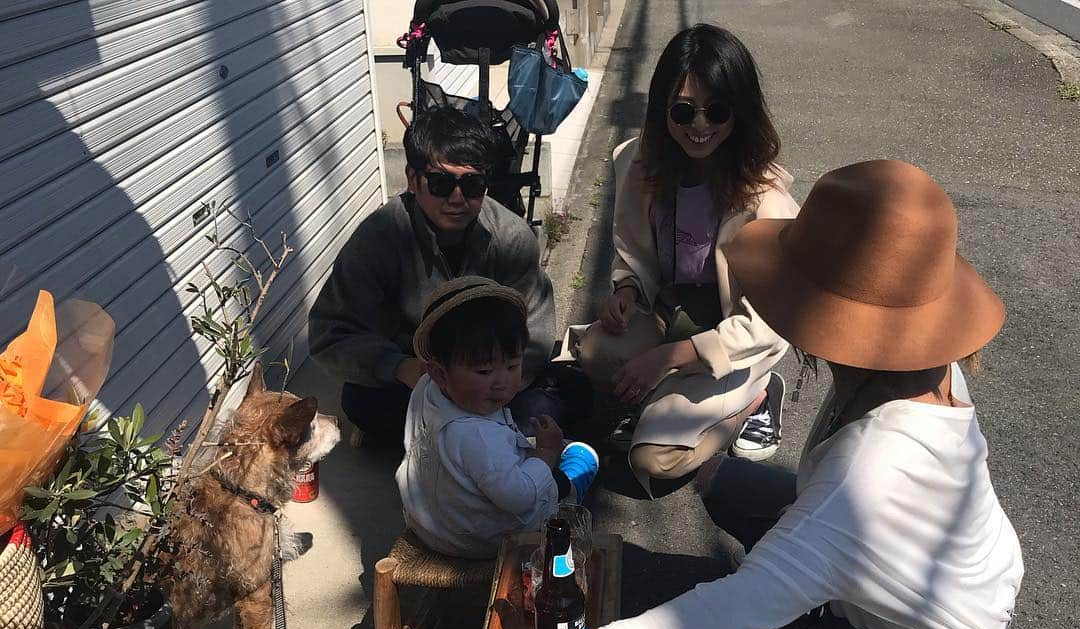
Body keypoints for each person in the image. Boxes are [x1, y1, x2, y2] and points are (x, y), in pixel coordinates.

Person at [436, 160, 1024, 629]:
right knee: (719, 483)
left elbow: (723, 614)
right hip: (900, 574)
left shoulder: (874, 474)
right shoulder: (921, 363)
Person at [577, 24, 799, 490]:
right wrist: (626, 288)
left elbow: (768, 321)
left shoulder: (767, 201)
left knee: (655, 461)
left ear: (740, 111)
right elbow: (634, 251)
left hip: (734, 333)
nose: (700, 126)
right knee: (596, 352)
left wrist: (669, 358)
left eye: (717, 110)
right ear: (662, 111)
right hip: (672, 310)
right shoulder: (640, 163)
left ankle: (757, 395)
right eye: (683, 111)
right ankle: (676, 395)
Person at [309, 106, 589, 448]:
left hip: (494, 383)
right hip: (421, 381)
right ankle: (482, 443)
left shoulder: (512, 237)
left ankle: (446, 441)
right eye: (441, 183)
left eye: (472, 184)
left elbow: (536, 333)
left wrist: (492, 386)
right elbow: (330, 333)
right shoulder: (378, 237)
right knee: (360, 401)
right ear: (413, 179)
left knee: (568, 393)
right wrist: (398, 366)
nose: (457, 198)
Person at [397, 278, 599, 559]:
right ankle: (570, 490)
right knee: (572, 465)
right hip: (486, 541)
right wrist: (546, 454)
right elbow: (518, 498)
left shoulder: (426, 388)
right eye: (483, 371)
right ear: (441, 373)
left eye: (512, 365)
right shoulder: (478, 437)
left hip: (430, 524)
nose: (502, 382)